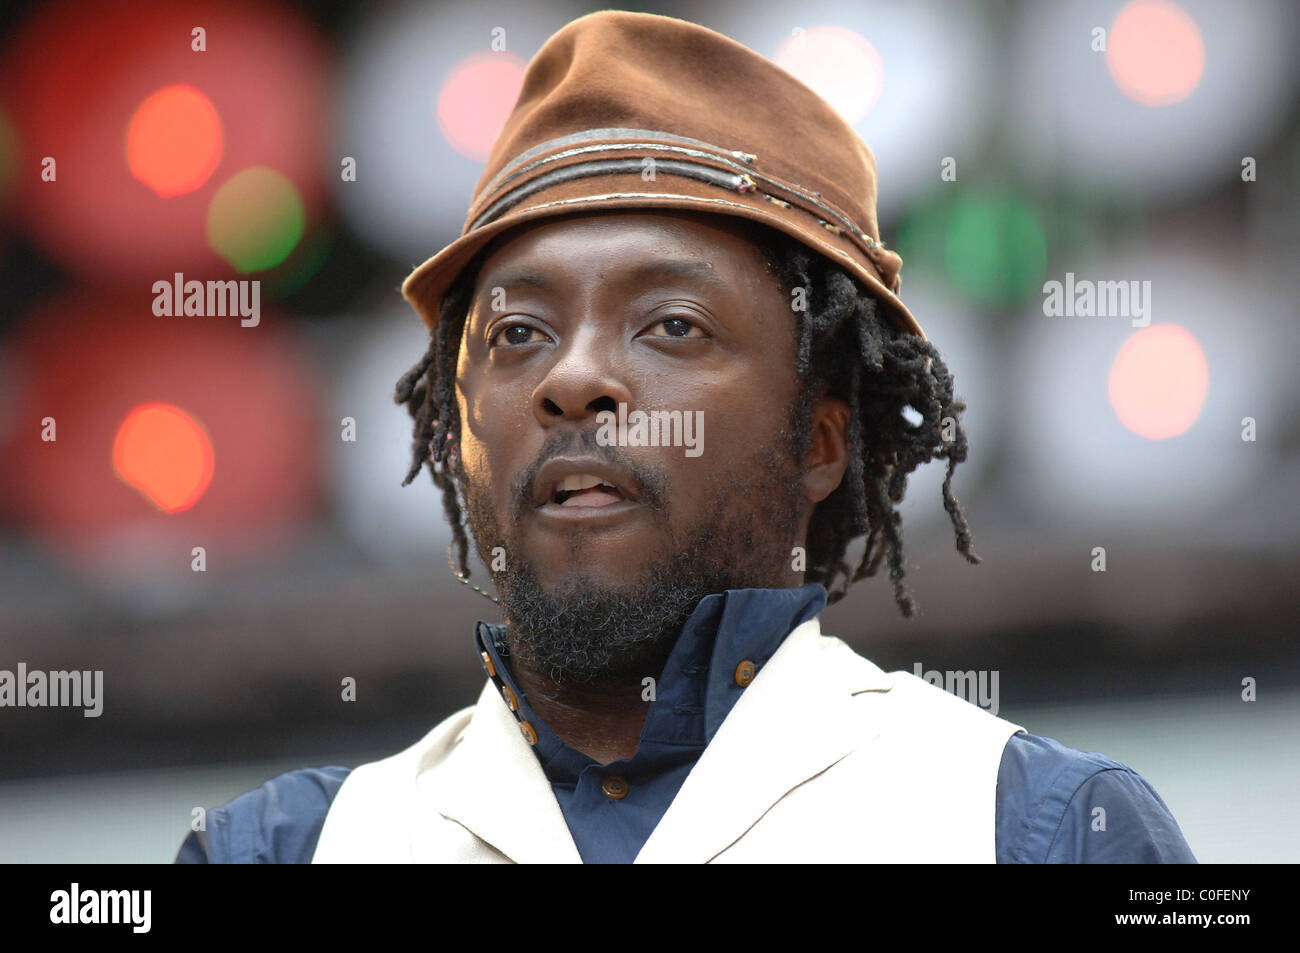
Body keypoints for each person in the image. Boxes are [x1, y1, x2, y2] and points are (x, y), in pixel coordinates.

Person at [175, 10, 1195, 864]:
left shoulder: (1039, 828)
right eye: (518, 333)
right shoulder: (282, 848)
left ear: (820, 440)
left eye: (672, 325)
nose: (572, 378)